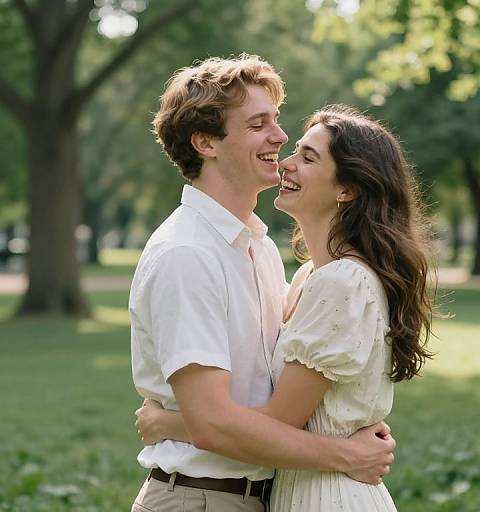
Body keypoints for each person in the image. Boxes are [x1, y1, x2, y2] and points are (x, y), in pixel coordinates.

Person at [135, 104, 436, 511]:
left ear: (346, 189)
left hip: (328, 495)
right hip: (290, 488)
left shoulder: (340, 281)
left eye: (307, 157)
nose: (286, 162)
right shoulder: (308, 275)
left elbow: (279, 420)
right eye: (259, 125)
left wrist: (168, 423)